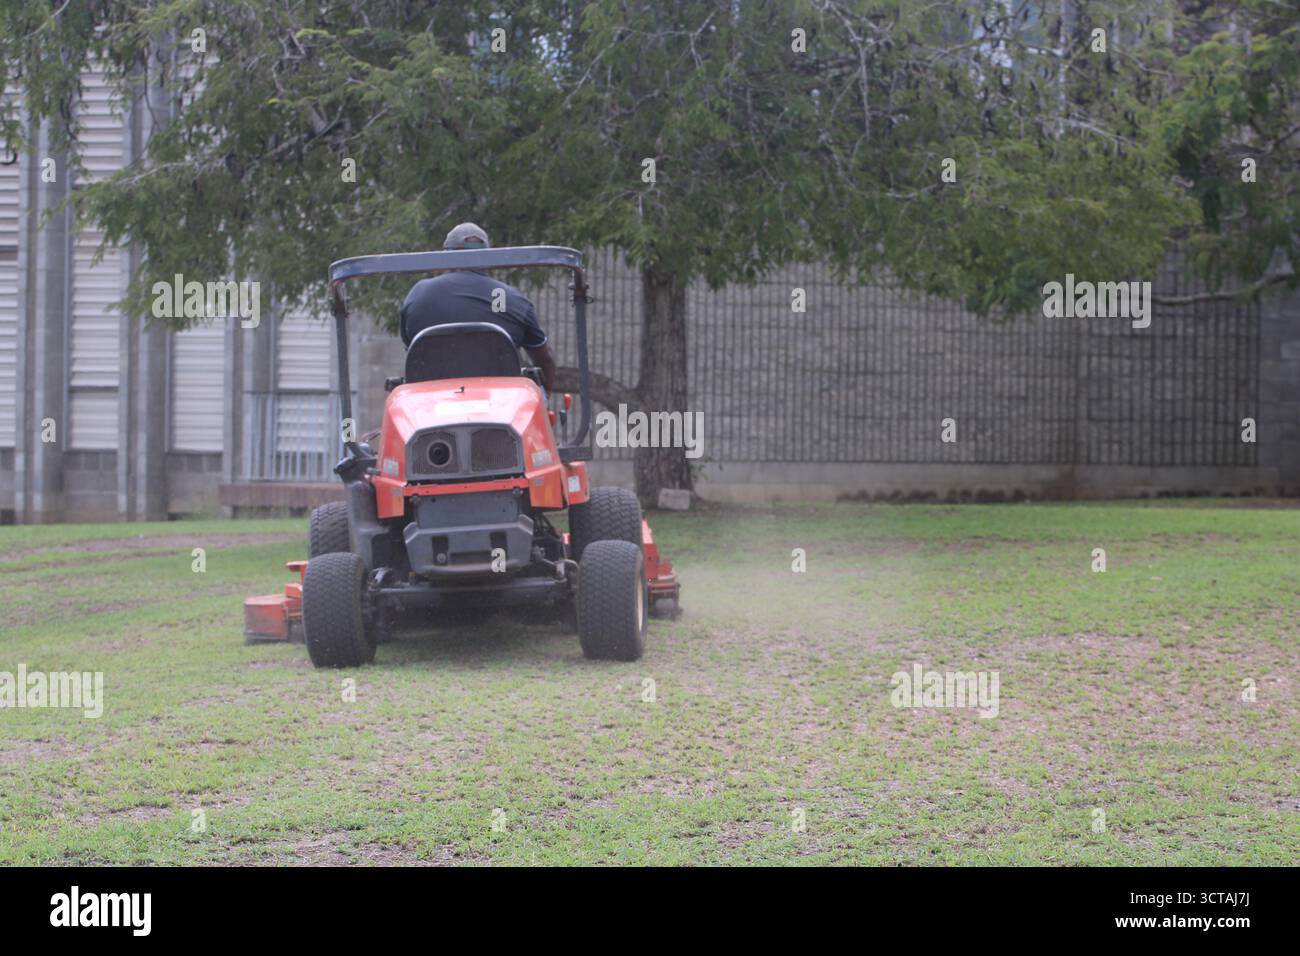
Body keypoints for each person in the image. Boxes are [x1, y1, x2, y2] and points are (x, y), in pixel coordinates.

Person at [400, 222, 557, 392]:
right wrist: (545, 393)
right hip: (500, 403)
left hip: (431, 402)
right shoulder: (502, 296)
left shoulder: (420, 294)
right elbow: (545, 360)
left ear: (445, 256)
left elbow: (413, 353)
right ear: (487, 259)